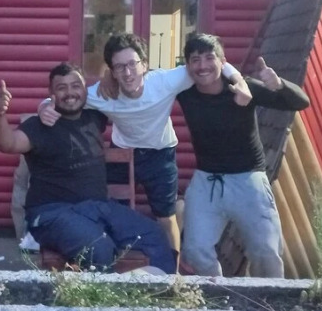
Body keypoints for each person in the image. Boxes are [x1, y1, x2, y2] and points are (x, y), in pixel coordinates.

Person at [39, 33, 251, 253]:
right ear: (112, 71)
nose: (128, 73)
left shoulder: (165, 81)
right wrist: (44, 108)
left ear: (145, 65)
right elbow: (59, 99)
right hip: (123, 150)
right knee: (112, 211)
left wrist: (239, 81)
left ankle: (172, 271)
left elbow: (214, 65)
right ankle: (115, 266)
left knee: (166, 217)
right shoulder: (103, 94)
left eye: (133, 64)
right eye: (120, 67)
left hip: (160, 153)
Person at [0, 62, 176, 273]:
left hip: (98, 207)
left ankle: (164, 290)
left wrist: (109, 76)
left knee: (154, 235)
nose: (70, 93)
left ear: (85, 90)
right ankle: (103, 295)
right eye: (62, 88)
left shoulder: (95, 117)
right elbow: (8, 143)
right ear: (51, 93)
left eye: (75, 86)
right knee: (99, 249)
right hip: (53, 213)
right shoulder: (38, 125)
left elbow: (127, 89)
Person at [176, 34, 310, 277]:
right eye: (195, 60)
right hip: (207, 181)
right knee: (194, 251)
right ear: (188, 66)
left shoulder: (244, 87)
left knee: (266, 251)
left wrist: (278, 84)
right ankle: (217, 294)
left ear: (222, 61)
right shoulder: (185, 92)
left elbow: (301, 102)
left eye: (209, 58)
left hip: (248, 179)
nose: (203, 65)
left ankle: (268, 298)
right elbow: (145, 83)